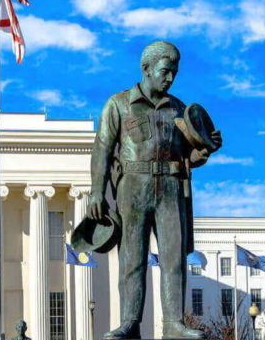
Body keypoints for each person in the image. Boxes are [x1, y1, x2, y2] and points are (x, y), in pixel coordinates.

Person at [87, 41, 222, 339]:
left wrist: (206, 148)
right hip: (133, 187)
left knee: (173, 259)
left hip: (172, 188)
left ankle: (174, 324)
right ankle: (129, 323)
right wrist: (96, 191)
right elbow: (102, 149)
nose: (170, 78)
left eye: (174, 72)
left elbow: (190, 156)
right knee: (132, 259)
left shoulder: (180, 109)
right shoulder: (119, 104)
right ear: (146, 69)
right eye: (165, 71)